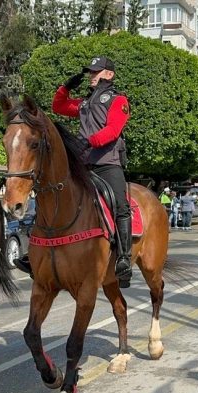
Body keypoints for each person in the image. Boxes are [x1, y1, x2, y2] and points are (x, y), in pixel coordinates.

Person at [47, 56, 133, 287]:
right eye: (90, 72)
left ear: (109, 75)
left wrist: (88, 142)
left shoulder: (118, 100)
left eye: (96, 72)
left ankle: (124, 258)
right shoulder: (84, 103)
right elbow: (58, 106)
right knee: (56, 195)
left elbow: (113, 130)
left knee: (121, 207)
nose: (91, 76)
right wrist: (65, 87)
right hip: (84, 163)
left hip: (107, 162)